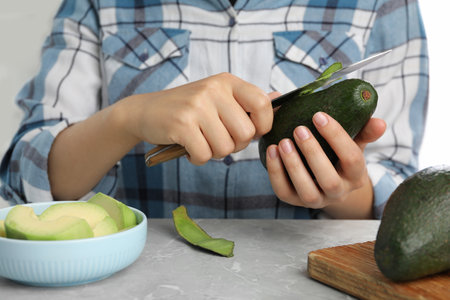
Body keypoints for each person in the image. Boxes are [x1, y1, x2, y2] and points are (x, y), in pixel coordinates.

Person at [0, 0, 428, 219]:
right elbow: (21, 182)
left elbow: (404, 200)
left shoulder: (385, 5)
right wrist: (127, 118)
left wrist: (345, 192)